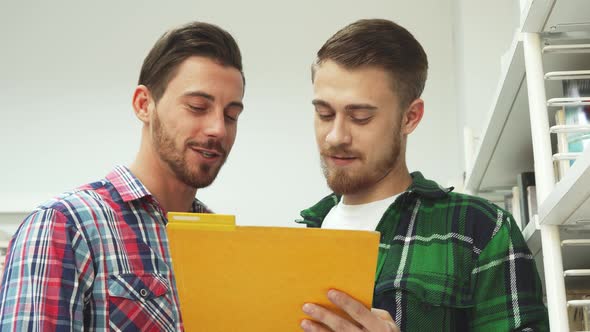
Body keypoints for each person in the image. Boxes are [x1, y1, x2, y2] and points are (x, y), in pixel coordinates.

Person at [298, 19, 549, 331]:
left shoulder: (481, 230)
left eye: (359, 117)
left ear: (410, 117)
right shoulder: (302, 233)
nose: (335, 136)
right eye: (324, 113)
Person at [0, 21, 245, 331]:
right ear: (144, 105)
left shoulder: (222, 242)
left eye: (231, 115)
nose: (218, 129)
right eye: (198, 107)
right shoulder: (63, 226)